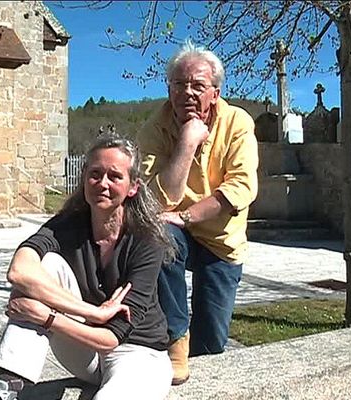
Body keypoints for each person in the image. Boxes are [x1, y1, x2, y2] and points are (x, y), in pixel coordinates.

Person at [0, 134, 176, 400]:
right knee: (46, 265)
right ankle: (6, 389)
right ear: (84, 177)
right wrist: (93, 313)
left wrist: (47, 317)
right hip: (84, 349)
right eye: (95, 173)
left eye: (114, 176)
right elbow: (19, 272)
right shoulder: (68, 225)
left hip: (139, 353)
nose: (102, 183)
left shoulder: (146, 240)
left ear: (133, 187)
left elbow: (111, 338)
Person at [137, 40, 259, 385]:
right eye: (179, 84)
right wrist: (187, 142)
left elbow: (240, 188)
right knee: (157, 236)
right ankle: (175, 339)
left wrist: (187, 216)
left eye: (197, 85)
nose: (187, 92)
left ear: (215, 93)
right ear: (169, 89)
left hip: (221, 240)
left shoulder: (238, 123)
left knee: (211, 342)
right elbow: (155, 202)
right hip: (174, 230)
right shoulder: (154, 129)